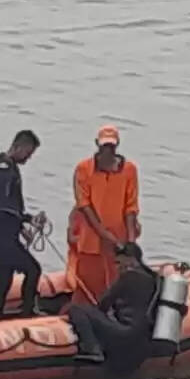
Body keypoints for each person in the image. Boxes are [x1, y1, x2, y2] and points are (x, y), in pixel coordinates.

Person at [70, 125, 140, 305]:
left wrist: (130, 241)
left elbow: (131, 207)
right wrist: (106, 236)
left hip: (119, 243)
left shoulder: (129, 170)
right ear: (97, 145)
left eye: (111, 146)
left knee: (118, 285)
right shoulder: (83, 169)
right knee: (87, 288)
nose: (108, 150)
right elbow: (85, 206)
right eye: (104, 146)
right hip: (91, 241)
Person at [0, 130, 47, 318]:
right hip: (1, 236)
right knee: (33, 269)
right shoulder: (2, 169)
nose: (29, 158)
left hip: (1, 234)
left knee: (5, 277)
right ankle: (27, 311)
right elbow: (2, 206)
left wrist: (20, 227)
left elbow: (10, 205)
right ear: (19, 147)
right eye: (29, 153)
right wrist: (28, 220)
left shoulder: (9, 167)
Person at [67, 242, 159, 374]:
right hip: (142, 338)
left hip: (124, 333)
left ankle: (91, 349)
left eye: (118, 263)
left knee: (77, 309)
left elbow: (104, 303)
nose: (117, 267)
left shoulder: (128, 277)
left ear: (131, 259)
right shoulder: (153, 279)